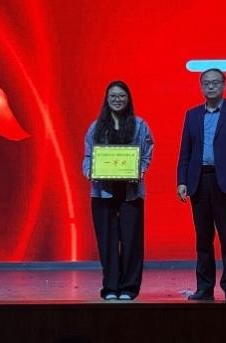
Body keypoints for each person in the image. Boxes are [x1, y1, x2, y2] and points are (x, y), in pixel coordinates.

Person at [177, 68, 226, 301]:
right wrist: (181, 181)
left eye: (215, 82)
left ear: (224, 85)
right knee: (203, 238)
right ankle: (204, 287)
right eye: (206, 83)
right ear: (201, 86)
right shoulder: (192, 115)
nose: (211, 87)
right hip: (199, 181)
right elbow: (185, 151)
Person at [83, 81, 154, 300]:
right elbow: (88, 156)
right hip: (102, 192)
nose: (117, 99)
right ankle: (110, 287)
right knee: (107, 241)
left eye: (122, 96)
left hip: (131, 192)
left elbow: (147, 153)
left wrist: (140, 170)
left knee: (131, 240)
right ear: (107, 99)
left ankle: (129, 288)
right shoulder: (96, 127)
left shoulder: (140, 125)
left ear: (128, 99)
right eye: (113, 96)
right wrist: (89, 171)